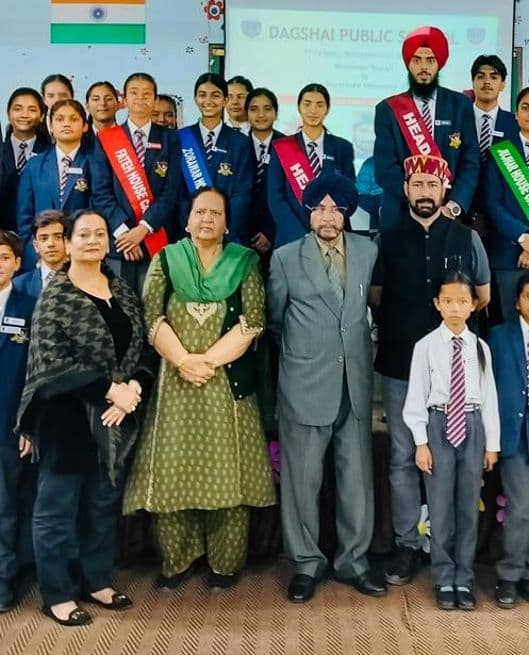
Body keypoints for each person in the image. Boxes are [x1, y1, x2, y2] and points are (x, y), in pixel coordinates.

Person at [123, 187, 275, 590]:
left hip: (226, 385)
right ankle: (178, 560)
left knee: (230, 475)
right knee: (175, 472)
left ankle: (225, 563)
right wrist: (183, 360)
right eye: (199, 212)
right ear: (187, 220)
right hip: (177, 385)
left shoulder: (244, 262)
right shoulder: (166, 260)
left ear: (227, 223)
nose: (207, 219)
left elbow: (254, 321)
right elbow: (151, 317)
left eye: (215, 213)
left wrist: (206, 361)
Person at [16, 209, 152, 626]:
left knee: (102, 502)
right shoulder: (56, 295)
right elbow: (51, 365)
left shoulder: (121, 289)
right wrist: (110, 390)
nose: (93, 240)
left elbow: (141, 349)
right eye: (84, 234)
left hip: (116, 416)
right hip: (66, 417)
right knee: (57, 509)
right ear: (69, 243)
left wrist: (133, 389)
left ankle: (97, 580)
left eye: (100, 234)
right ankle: (56, 594)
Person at [370, 154, 491, 586]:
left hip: (454, 372)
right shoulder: (386, 238)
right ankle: (407, 544)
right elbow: (376, 295)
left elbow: (482, 295)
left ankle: (448, 547)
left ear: (444, 191)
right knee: (404, 457)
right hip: (401, 364)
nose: (425, 192)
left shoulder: (466, 237)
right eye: (417, 184)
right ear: (406, 189)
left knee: (452, 460)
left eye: (432, 185)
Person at [268, 174, 381, 603]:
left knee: (356, 481)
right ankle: (306, 563)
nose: (328, 217)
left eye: (336, 209)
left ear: (347, 213)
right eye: (319, 209)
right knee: (303, 481)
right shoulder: (285, 258)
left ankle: (354, 561)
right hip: (304, 385)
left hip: (354, 383)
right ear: (309, 213)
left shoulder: (368, 251)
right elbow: (275, 322)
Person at [403, 271, 499, 610]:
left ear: (473, 305)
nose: (455, 308)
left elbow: (489, 397)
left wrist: (491, 445)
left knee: (468, 508)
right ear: (437, 304)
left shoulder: (481, 348)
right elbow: (416, 397)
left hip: (472, 425)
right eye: (448, 301)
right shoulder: (425, 347)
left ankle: (464, 578)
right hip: (439, 424)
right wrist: (421, 442)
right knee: (440, 507)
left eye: (462, 301)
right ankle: (444, 577)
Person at [374, 26, 480, 230]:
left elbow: (470, 162)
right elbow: (384, 168)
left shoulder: (460, 105)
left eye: (430, 60)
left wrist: (453, 206)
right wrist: (419, 202)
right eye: (417, 60)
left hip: (448, 214)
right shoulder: (387, 109)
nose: (424, 67)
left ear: (439, 64)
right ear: (408, 64)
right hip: (401, 214)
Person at [90, 72, 181, 293]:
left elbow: (171, 191)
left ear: (155, 99)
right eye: (134, 92)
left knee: (154, 304)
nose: (140, 98)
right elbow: (100, 192)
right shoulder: (106, 138)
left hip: (156, 237)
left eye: (147, 94)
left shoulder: (170, 138)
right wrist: (124, 234)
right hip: (119, 244)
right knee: (119, 304)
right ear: (124, 99)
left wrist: (143, 229)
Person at [268, 83, 355, 248]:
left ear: (327, 109)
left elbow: (348, 195)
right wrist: (301, 235)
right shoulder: (281, 147)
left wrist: (328, 229)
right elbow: (275, 198)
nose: (313, 110)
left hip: (332, 236)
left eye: (319, 105)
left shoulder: (342, 147)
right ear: (299, 107)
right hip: (291, 239)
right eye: (307, 104)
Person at [0, 230, 36, 612]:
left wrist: (29, 422)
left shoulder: (30, 306)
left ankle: (4, 581)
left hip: (10, 423)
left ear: (17, 263)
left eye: (4, 257)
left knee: (6, 505)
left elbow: (36, 372)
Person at [489, 273, 529, 608]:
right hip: (514, 436)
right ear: (517, 302)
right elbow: (488, 390)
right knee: (520, 508)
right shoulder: (499, 337)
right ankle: (510, 574)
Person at [177, 73, 253, 245]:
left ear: (225, 100)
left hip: (228, 237)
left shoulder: (241, 142)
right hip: (189, 236)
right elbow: (177, 192)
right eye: (202, 95)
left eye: (215, 95)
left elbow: (242, 195)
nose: (208, 101)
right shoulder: (181, 138)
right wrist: (193, 228)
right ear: (195, 98)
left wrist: (222, 231)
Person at [16, 99, 91, 270]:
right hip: (41, 259)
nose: (66, 124)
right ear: (50, 125)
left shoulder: (93, 163)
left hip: (81, 257)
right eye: (59, 119)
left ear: (85, 126)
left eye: (73, 119)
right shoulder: (35, 165)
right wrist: (35, 256)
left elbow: (98, 211)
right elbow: (24, 218)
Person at [485, 86, 529, 323]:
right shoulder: (500, 152)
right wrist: (523, 238)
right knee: (509, 327)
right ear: (516, 113)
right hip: (507, 255)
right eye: (525, 108)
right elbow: (492, 203)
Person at [469, 55, 518, 240]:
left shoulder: (515, 125)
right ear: (473, 82)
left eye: (494, 76)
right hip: (463, 213)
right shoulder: (459, 119)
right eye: (480, 76)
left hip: (503, 217)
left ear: (503, 84)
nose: (487, 81)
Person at [0, 88, 49, 231]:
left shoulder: (50, 153)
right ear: (8, 114)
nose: (24, 115)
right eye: (18, 109)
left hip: (39, 232)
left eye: (32, 110)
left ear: (42, 116)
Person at [245, 87, 284, 262]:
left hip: (279, 236)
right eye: (254, 109)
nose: (261, 115)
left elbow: (290, 197)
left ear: (276, 113)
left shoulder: (289, 147)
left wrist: (270, 232)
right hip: (242, 236)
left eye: (267, 109)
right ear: (247, 113)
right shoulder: (236, 145)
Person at [14, 210, 67, 298]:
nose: (51, 244)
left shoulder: (84, 281)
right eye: (44, 239)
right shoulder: (18, 286)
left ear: (68, 241)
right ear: (36, 245)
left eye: (58, 237)